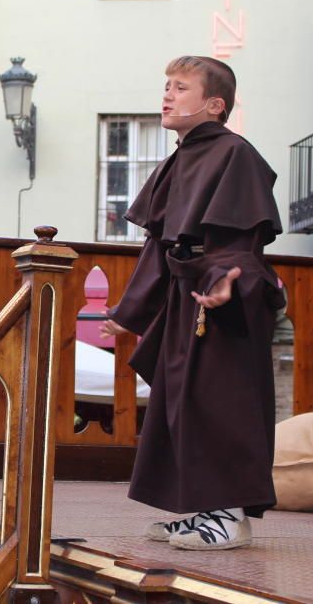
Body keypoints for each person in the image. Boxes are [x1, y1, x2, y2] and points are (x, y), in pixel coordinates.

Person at [101, 56, 284, 551]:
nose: (166, 95)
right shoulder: (176, 162)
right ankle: (204, 511)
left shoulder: (235, 154)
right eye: (166, 86)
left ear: (213, 104)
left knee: (222, 405)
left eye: (180, 87)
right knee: (181, 404)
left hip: (229, 298)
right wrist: (129, 313)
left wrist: (228, 282)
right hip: (190, 295)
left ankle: (228, 517)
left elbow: (243, 240)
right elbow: (161, 248)